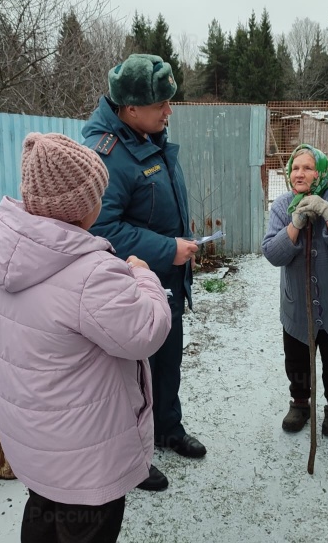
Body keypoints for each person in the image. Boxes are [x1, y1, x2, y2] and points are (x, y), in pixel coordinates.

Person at [0, 132, 172, 542]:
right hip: (86, 457)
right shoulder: (90, 274)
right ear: (84, 207)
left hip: (33, 443)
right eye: (98, 193)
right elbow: (147, 332)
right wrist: (143, 275)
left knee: (43, 513)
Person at [80, 54, 206, 492]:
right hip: (129, 287)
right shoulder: (107, 156)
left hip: (166, 282)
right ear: (131, 109)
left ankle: (167, 428)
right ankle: (131, 460)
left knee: (167, 360)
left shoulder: (147, 137)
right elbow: (101, 229)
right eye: (161, 105)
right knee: (134, 377)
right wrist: (168, 248)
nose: (169, 111)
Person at [261, 144, 328, 438]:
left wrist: (327, 212)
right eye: (295, 167)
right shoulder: (283, 206)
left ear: (321, 171)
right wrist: (294, 225)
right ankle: (300, 404)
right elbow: (272, 253)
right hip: (297, 307)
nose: (299, 173)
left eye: (307, 167)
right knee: (296, 360)